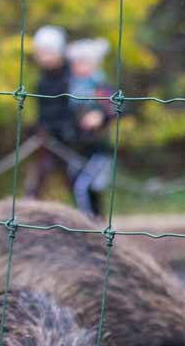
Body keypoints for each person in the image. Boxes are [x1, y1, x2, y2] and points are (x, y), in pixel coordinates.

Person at [64, 37, 119, 218]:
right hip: (77, 149)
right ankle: (90, 221)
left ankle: (89, 223)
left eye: (83, 61)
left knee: (85, 187)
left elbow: (119, 107)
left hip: (98, 150)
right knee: (78, 186)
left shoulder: (100, 89)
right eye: (76, 62)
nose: (78, 66)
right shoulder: (70, 89)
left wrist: (101, 116)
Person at [24, 25, 74, 198]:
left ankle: (91, 218)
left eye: (48, 51)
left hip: (70, 139)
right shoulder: (42, 79)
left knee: (77, 180)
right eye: (41, 52)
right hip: (47, 138)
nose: (44, 57)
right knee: (37, 178)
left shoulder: (72, 77)